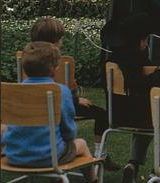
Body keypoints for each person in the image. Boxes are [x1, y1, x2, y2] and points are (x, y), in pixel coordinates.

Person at [3, 42, 105, 183]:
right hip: (47, 157)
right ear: (53, 69)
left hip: (14, 155)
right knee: (81, 144)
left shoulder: (15, 90)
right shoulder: (60, 91)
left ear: (24, 68)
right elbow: (69, 131)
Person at [29, 17, 120, 171]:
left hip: (34, 104)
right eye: (60, 39)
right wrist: (75, 99)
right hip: (60, 103)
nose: (62, 42)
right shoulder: (61, 61)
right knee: (102, 114)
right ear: (55, 41)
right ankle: (100, 154)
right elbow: (63, 93)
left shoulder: (26, 57)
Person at [103, 12, 160, 183]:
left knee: (146, 122)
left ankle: (132, 165)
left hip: (117, 113)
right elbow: (137, 82)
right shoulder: (134, 58)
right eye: (144, 41)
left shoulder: (111, 59)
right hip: (138, 114)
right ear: (137, 41)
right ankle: (159, 172)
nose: (146, 44)